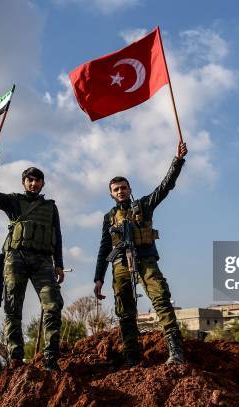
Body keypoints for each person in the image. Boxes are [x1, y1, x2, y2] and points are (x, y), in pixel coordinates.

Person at [94, 141, 188, 367]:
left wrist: (177, 161)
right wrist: (99, 278)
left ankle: (175, 351)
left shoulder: (144, 205)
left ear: (129, 189)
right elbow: (104, 247)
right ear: (111, 194)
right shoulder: (109, 217)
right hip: (119, 265)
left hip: (145, 260)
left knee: (161, 299)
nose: (120, 192)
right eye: (116, 189)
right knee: (125, 311)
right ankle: (132, 357)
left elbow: (165, 187)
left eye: (123, 188)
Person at [0, 146, 65, 371]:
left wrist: (60, 265)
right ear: (23, 182)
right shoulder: (14, 202)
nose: (34, 184)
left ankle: (50, 358)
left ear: (43, 184)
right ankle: (16, 358)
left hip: (44, 262)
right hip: (16, 259)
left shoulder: (50, 207)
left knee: (53, 306)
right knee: (12, 308)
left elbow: (57, 235)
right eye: (30, 180)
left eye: (38, 180)